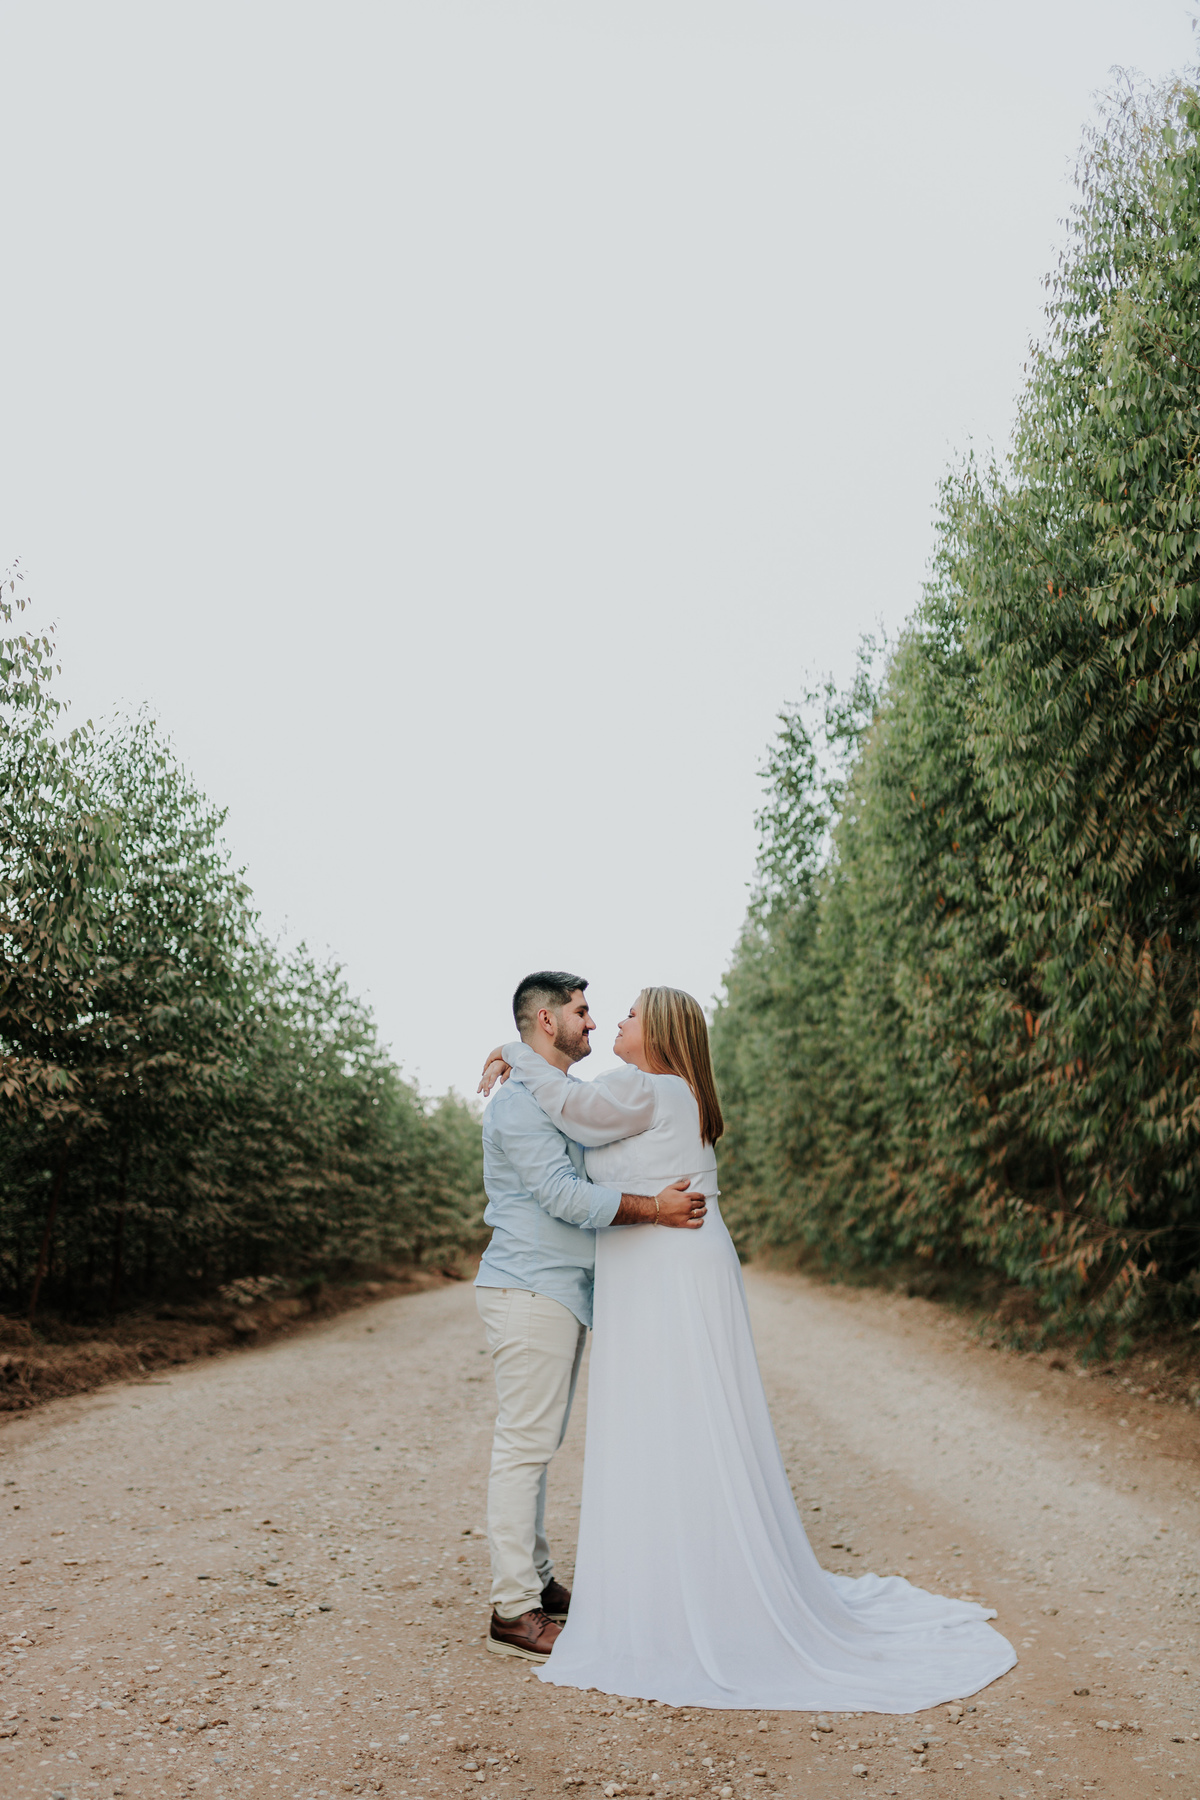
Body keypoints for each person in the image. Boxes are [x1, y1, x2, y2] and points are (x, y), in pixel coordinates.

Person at [478, 985, 1017, 1710]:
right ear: (549, 1019)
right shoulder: (620, 1092)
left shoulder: (649, 1089)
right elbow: (569, 1171)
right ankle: (553, 1591)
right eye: (589, 1011)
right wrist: (526, 1063)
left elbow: (580, 1122)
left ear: (661, 1032)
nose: (609, 1020)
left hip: (663, 1272)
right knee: (614, 1429)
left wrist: (514, 1055)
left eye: (629, 1012)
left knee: (672, 1421)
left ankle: (642, 1584)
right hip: (614, 1276)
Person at [474, 970, 706, 1664]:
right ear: (547, 1021)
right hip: (529, 1287)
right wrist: (654, 1210)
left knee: (539, 1445)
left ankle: (537, 1584)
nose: (594, 1024)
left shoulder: (561, 1096)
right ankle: (512, 1608)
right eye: (582, 1012)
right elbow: (563, 1197)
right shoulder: (518, 1106)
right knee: (523, 1445)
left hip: (559, 1289)